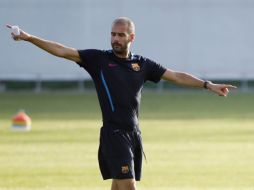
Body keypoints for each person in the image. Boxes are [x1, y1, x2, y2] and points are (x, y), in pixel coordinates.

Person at [7, 17, 236, 190]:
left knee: (119, 187)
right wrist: (29, 38)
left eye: (120, 35)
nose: (115, 39)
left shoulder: (142, 64)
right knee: (129, 187)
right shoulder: (99, 60)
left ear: (131, 38)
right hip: (114, 134)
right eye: (113, 34)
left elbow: (175, 76)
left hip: (134, 134)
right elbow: (62, 50)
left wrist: (208, 85)